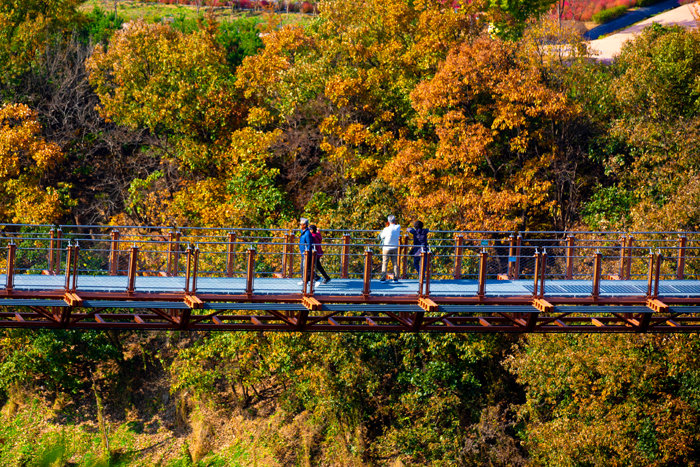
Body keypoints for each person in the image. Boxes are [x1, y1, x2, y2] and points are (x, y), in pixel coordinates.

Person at [379, 215, 401, 282]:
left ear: (388, 221)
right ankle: (396, 278)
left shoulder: (386, 229)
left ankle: (383, 278)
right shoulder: (398, 227)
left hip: (386, 247)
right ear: (395, 220)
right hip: (394, 247)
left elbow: (382, 236)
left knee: (385, 263)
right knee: (395, 263)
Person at [298, 218, 314, 285]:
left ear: (304, 225)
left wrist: (306, 252)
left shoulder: (307, 233)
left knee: (305, 268)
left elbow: (309, 244)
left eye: (301, 224)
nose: (300, 225)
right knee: (303, 267)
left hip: (306, 253)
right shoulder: (303, 232)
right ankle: (305, 280)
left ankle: (307, 280)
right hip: (303, 253)